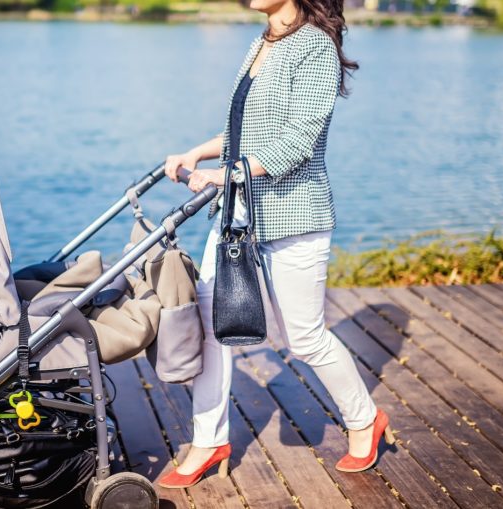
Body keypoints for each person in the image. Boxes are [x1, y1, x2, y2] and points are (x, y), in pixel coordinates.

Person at [156, 0, 394, 489]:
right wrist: (196, 152)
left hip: (295, 215)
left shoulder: (315, 47)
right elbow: (247, 133)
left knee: (304, 337)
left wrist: (222, 175)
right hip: (239, 216)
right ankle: (208, 440)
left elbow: (297, 141)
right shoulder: (262, 42)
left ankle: (365, 420)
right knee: (210, 325)